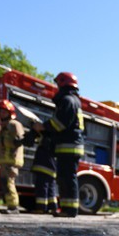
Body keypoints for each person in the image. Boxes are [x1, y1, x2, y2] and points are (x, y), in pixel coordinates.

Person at [33, 72, 83, 218]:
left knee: (68, 177)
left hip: (69, 146)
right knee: (64, 177)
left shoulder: (68, 100)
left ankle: (71, 210)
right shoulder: (72, 100)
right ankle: (67, 208)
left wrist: (42, 127)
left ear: (62, 83)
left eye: (57, 84)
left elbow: (59, 123)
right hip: (68, 145)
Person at [0, 100, 25, 214]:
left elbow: (19, 141)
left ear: (10, 112)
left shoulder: (14, 124)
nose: (2, 114)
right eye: (1, 112)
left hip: (11, 160)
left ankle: (13, 207)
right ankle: (10, 205)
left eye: (5, 112)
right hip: (4, 160)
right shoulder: (4, 126)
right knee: (5, 183)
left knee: (9, 182)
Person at [27, 128, 58, 214]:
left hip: (43, 167)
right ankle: (53, 207)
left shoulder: (46, 141)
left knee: (42, 187)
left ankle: (41, 208)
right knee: (51, 188)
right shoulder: (53, 141)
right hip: (52, 168)